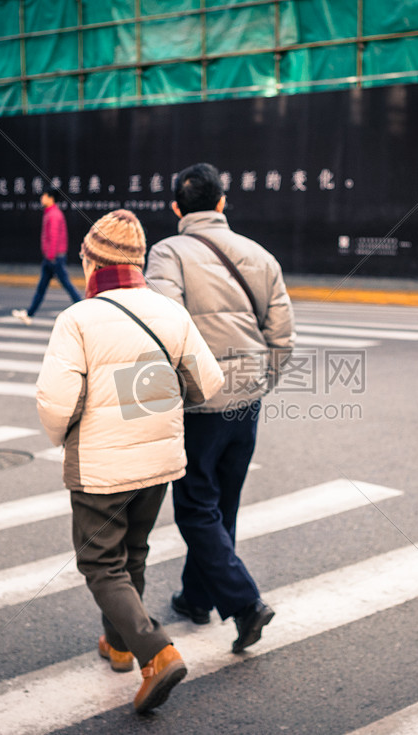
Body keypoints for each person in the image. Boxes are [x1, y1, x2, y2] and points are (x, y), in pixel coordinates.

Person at [35, 209, 225, 714]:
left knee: (99, 561)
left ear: (92, 261)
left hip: (101, 464)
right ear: (139, 261)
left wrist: (63, 435)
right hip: (158, 459)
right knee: (131, 553)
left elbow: (56, 404)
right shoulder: (170, 312)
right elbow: (209, 384)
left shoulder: (77, 318)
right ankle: (120, 646)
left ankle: (156, 651)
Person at [144, 162, 295, 654]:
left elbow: (163, 327)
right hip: (246, 403)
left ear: (176, 208)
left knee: (193, 507)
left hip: (200, 404)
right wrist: (257, 384)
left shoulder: (168, 252)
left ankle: (245, 603)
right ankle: (196, 597)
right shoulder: (259, 254)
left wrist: (183, 390)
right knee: (221, 503)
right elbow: (282, 337)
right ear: (223, 203)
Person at [13, 187, 82, 325]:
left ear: (50, 198)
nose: (41, 198)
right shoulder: (51, 213)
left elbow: (54, 237)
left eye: (43, 196)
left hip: (54, 258)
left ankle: (84, 308)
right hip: (52, 257)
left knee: (66, 285)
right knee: (42, 287)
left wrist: (50, 257)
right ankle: (29, 314)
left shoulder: (54, 215)